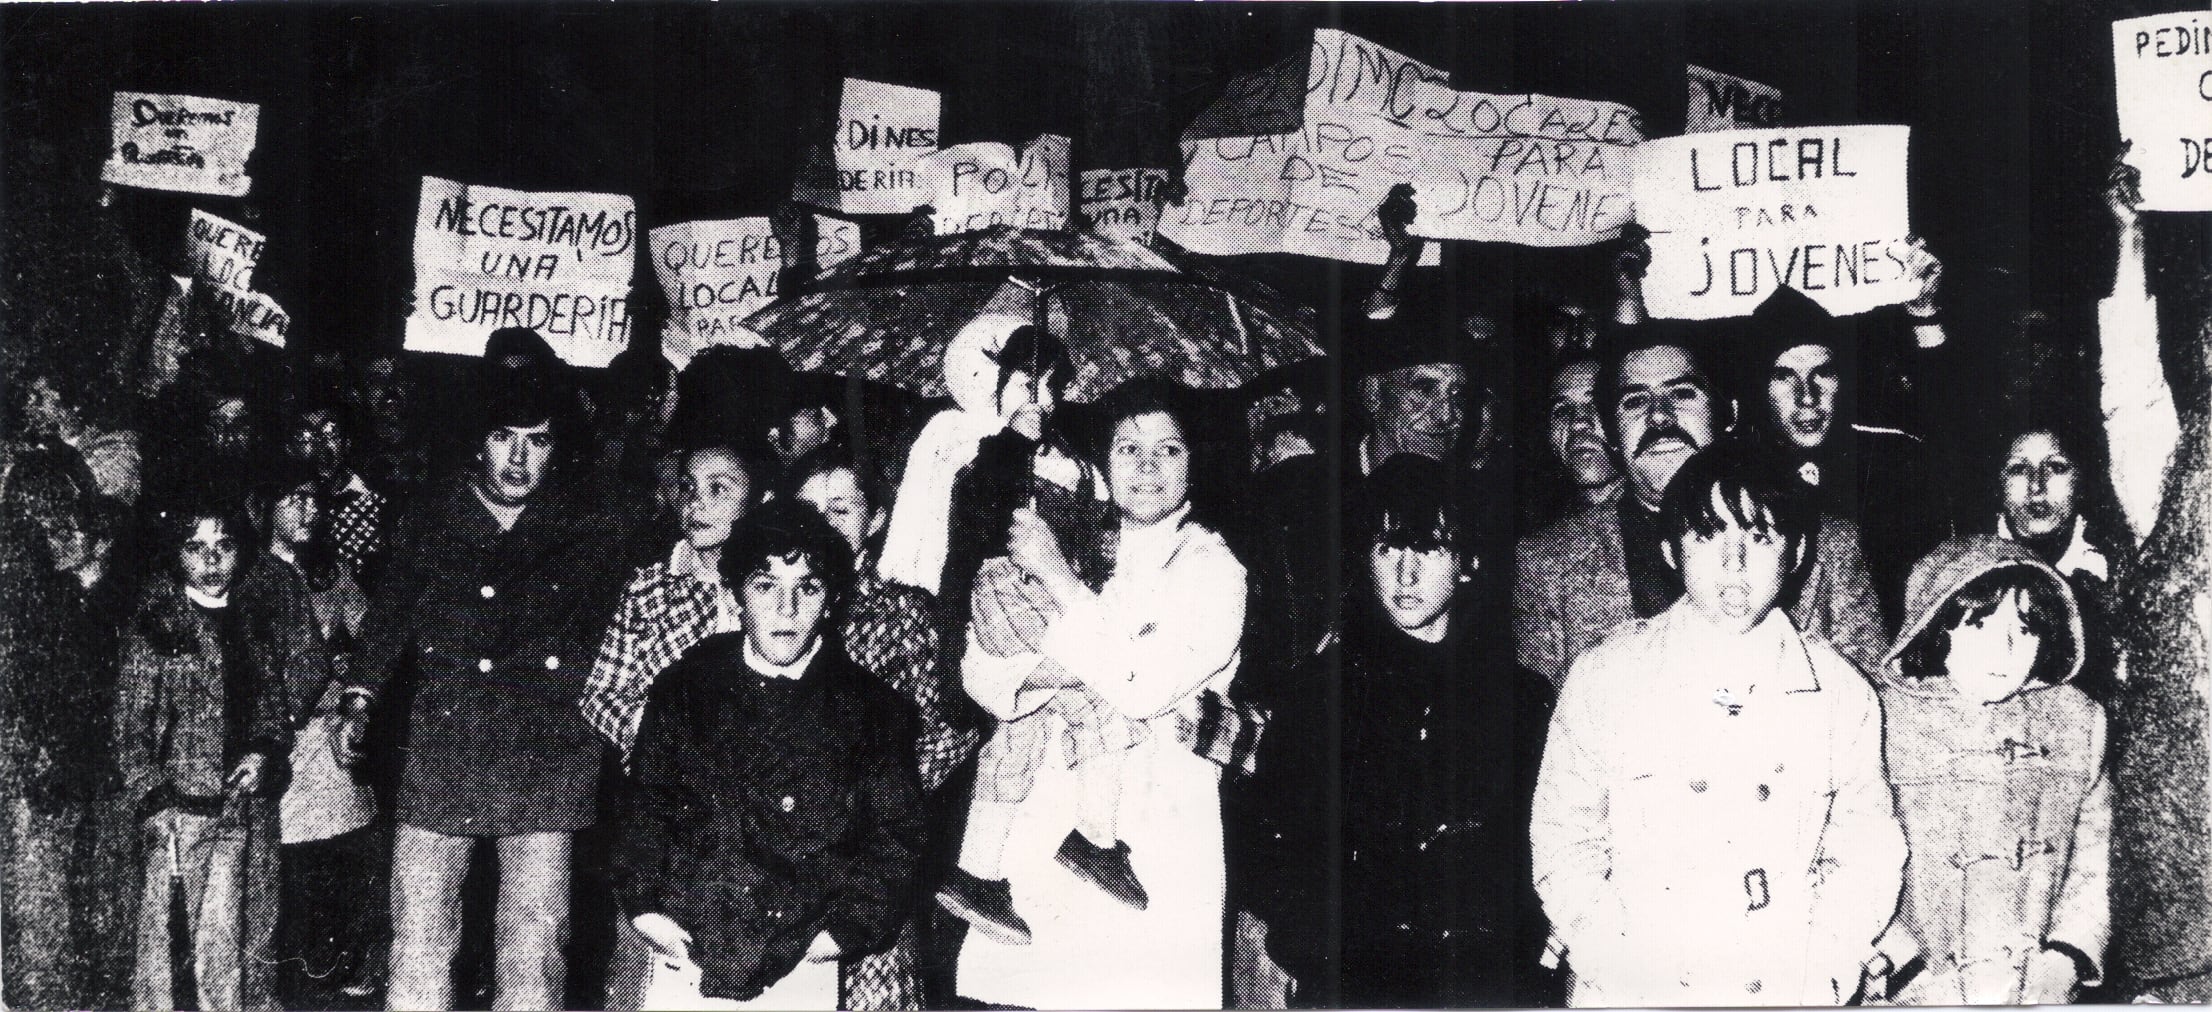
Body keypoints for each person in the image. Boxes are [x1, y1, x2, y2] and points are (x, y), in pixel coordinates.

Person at [1530, 444, 1905, 1007]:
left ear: (1797, 552)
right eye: (1708, 536)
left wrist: (1824, 961)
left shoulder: (1839, 693)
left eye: (1758, 537)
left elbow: (1866, 849)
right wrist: (1615, 963)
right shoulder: (1606, 677)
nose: (1734, 563)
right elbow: (1566, 840)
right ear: (1670, 550)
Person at [341, 367, 644, 1010]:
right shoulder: (430, 515)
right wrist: (359, 699)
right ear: (478, 440)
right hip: (444, 751)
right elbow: (389, 616)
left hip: (545, 757)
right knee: (420, 939)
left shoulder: (592, 526)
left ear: (557, 449)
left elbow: (624, 628)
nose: (518, 457)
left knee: (534, 948)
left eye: (536, 442)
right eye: (504, 437)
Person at [952, 378, 1245, 1009]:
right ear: (1103, 462)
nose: (1145, 467)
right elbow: (981, 670)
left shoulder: (1212, 568)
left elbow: (1140, 684)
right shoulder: (1067, 539)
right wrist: (1040, 654)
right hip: (1037, 823)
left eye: (1166, 449)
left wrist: (1054, 581)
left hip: (1151, 833)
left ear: (1195, 462)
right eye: (1127, 448)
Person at [1249, 453, 1557, 1008]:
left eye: (1430, 548)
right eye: (1387, 548)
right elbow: (1275, 839)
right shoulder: (1320, 691)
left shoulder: (1524, 701)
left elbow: (1545, 848)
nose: (1405, 574)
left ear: (1468, 561)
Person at [610, 500, 927, 1011]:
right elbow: (645, 806)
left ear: (830, 601)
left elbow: (897, 841)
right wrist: (648, 911)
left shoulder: (873, 711)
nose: (787, 609)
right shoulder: (686, 687)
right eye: (765, 587)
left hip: (804, 957)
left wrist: (835, 937)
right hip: (685, 948)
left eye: (807, 588)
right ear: (736, 597)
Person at [1515, 324, 1888, 687]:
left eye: (1681, 394)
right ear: (1612, 433)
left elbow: (1875, 706)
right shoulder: (1548, 562)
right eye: (1635, 401)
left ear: (1729, 415)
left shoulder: (1830, 545)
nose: (1659, 417)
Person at [1865, 535, 2107, 1005]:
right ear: (1935, 627)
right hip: (1919, 985)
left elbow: (2097, 853)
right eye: (1979, 624)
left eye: (2027, 627)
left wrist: (2067, 955)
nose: (2007, 646)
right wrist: (1899, 959)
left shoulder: (2076, 723)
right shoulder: (1882, 718)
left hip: (2038, 986)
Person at [787, 448, 976, 1010]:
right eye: (809, 510)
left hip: (869, 870)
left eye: (840, 511)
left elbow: (947, 735)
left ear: (874, 521)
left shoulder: (905, 617)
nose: (822, 526)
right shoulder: (765, 609)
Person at [116, 500, 292, 1012]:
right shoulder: (157, 628)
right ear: (177, 555)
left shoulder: (251, 623)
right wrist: (153, 799)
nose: (212, 561)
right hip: (178, 811)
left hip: (235, 806)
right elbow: (131, 727)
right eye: (197, 548)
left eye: (225, 547)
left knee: (224, 939)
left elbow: (269, 706)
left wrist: (264, 751)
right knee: (162, 944)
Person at [236, 468, 383, 997]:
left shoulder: (326, 571)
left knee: (352, 860)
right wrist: (335, 671)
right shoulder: (255, 581)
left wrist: (352, 683)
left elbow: (372, 632)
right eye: (291, 499)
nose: (306, 510)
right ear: (262, 510)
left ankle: (344, 966)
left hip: (336, 742)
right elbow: (279, 678)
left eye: (312, 500)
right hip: (291, 748)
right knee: (298, 875)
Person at [1736, 285, 1954, 621]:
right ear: (1759, 390)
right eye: (1784, 377)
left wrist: (1924, 313)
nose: (1807, 396)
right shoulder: (1734, 475)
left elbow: (1960, 439)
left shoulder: (1894, 456)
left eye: (1822, 373)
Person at [0, 456, 108, 1009]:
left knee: (61, 902)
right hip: (36, 768)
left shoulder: (60, 592)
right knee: (41, 903)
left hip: (60, 765)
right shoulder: (26, 592)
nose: (74, 532)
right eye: (54, 520)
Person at [582, 442, 764, 763]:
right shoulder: (649, 589)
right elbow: (602, 695)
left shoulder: (773, 591)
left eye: (717, 489)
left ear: (758, 503)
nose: (696, 502)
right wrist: (658, 742)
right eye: (687, 487)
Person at [281, 397, 391, 590]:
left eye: (330, 432)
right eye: (305, 436)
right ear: (290, 449)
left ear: (347, 441)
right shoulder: (282, 512)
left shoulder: (382, 501)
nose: (320, 443)